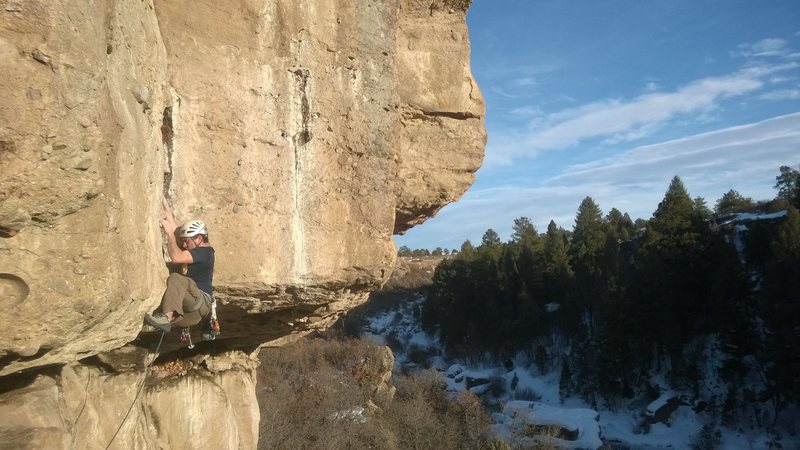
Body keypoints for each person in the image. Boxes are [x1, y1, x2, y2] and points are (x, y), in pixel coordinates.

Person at [145, 198, 215, 333]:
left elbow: (176, 258)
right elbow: (176, 229)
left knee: (176, 278)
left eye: (186, 241)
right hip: (189, 312)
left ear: (199, 238)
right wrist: (163, 203)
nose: (184, 245)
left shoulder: (205, 253)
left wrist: (169, 235)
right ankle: (166, 316)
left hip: (199, 305)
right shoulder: (194, 248)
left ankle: (166, 317)